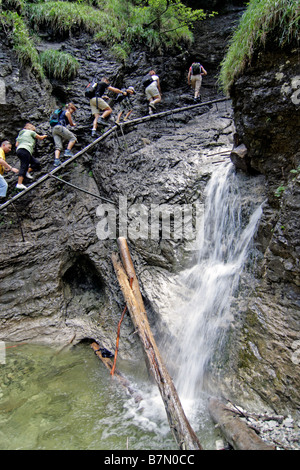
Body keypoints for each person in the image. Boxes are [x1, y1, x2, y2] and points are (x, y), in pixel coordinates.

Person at [15, 123, 47, 190]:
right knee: (24, 166)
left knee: (36, 163)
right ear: (28, 127)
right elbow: (40, 137)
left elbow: (16, 144)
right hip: (25, 150)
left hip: (20, 150)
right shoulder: (30, 132)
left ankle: (27, 172)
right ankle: (19, 184)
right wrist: (45, 135)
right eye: (33, 127)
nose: (34, 129)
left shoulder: (20, 134)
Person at [52, 102, 77, 167]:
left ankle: (56, 160)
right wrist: (73, 124)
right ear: (70, 108)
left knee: (58, 147)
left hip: (54, 129)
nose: (72, 112)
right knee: (73, 138)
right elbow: (71, 124)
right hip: (60, 127)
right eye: (72, 110)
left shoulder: (61, 113)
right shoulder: (67, 112)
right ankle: (67, 151)